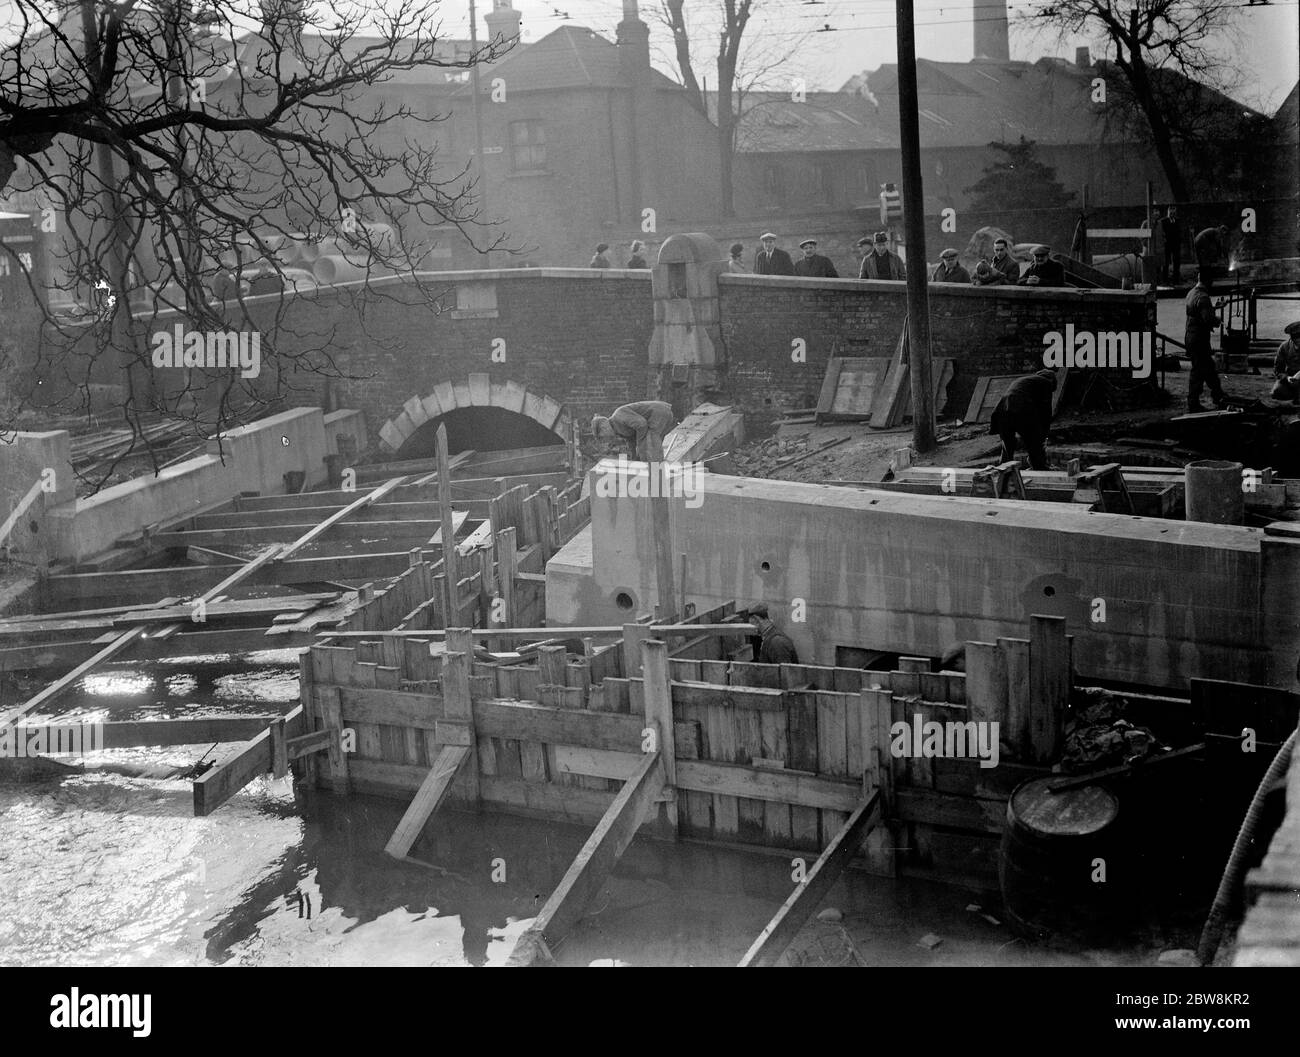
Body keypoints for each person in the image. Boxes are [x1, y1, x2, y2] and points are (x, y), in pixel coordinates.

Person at [989, 368, 1058, 470]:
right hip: (1021, 408)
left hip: (1002, 409)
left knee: (1008, 442)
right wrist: (1044, 433)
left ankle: (1003, 469)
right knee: (1034, 439)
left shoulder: (1025, 380)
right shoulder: (1046, 383)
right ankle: (1038, 467)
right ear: (1052, 381)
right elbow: (1045, 412)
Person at [1185, 269, 1227, 412]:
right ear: (1209, 281)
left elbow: (1199, 311)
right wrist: (1218, 320)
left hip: (1191, 336)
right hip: (1199, 339)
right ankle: (1193, 402)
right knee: (1199, 371)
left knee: (1208, 368)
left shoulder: (1191, 293)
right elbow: (1207, 318)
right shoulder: (1203, 297)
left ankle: (1218, 395)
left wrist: (1215, 307)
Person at [590, 400, 677, 461]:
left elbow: (641, 424)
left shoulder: (618, 416)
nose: (606, 440)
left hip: (659, 413)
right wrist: (634, 459)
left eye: (602, 437)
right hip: (658, 416)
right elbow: (631, 441)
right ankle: (654, 472)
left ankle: (656, 476)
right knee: (649, 447)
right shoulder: (618, 429)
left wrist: (639, 446)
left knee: (650, 444)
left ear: (604, 427)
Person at [1271, 321, 1300, 402]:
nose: (1298, 340)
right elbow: (1278, 370)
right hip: (1290, 378)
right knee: (1277, 392)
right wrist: (1287, 378)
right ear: (1291, 338)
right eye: (1295, 337)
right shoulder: (1284, 347)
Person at [1159, 206, 1182, 285]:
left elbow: (1179, 231)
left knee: (1176, 263)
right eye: (1171, 213)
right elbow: (1161, 232)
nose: (1172, 214)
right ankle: (1165, 280)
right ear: (1168, 212)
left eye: (1174, 213)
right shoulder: (1163, 221)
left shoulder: (1178, 220)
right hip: (1167, 245)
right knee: (1166, 263)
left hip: (1176, 245)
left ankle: (1176, 280)